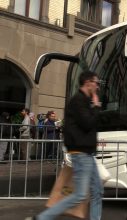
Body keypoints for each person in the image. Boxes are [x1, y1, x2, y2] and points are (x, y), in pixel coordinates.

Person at [26, 70, 103, 220]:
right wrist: (96, 107)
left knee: (97, 190)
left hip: (86, 153)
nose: (98, 87)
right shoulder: (78, 101)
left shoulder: (83, 101)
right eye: (96, 83)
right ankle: (42, 218)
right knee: (80, 194)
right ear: (88, 83)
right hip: (81, 153)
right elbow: (88, 123)